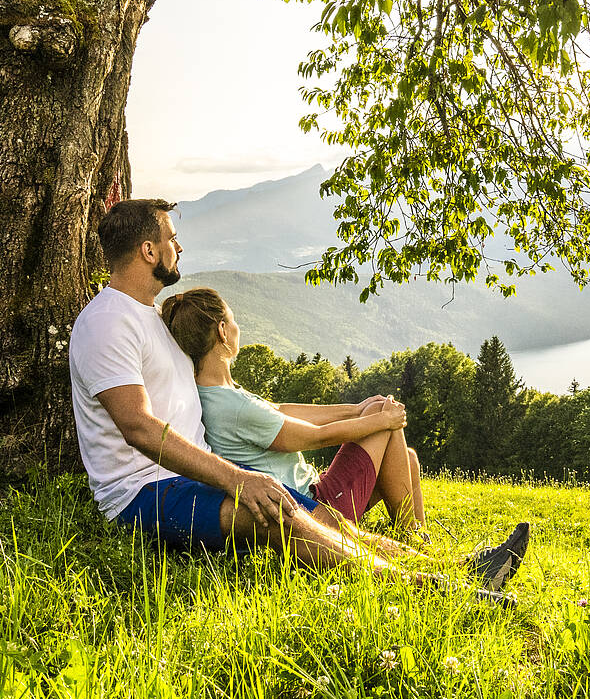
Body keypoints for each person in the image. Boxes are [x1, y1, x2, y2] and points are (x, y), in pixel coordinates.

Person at [66, 197, 528, 596]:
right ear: (148, 251)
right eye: (170, 237)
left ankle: (460, 570)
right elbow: (139, 428)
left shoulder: (150, 318)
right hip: (144, 493)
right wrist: (237, 478)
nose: (179, 246)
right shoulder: (107, 321)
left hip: (191, 478)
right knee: (283, 514)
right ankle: (439, 591)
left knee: (325, 520)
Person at [162, 287, 428, 529]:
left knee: (408, 459)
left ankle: (418, 536)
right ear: (222, 331)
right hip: (318, 505)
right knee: (382, 412)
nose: (236, 327)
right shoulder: (232, 407)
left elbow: (280, 410)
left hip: (314, 490)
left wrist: (356, 410)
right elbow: (316, 437)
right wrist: (383, 420)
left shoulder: (217, 394)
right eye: (234, 321)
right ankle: (414, 537)